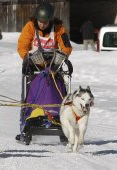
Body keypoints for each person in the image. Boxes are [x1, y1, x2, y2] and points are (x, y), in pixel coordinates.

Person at [16, 2, 72, 141]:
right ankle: (31, 115)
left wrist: (61, 57)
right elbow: (22, 46)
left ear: (50, 20)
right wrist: (27, 57)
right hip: (35, 67)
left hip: (53, 67)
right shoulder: (30, 26)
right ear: (36, 19)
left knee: (59, 86)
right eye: (40, 22)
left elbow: (66, 47)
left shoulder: (59, 28)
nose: (42, 25)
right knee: (33, 88)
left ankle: (59, 116)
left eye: (45, 22)